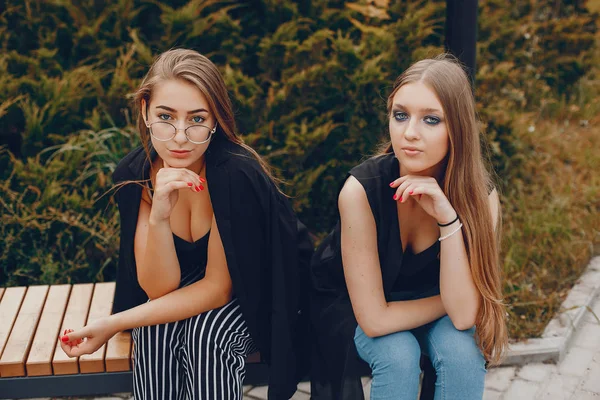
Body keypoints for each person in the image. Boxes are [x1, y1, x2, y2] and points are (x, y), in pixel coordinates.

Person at [59, 48, 313, 400]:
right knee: (153, 331)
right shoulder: (134, 175)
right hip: (192, 281)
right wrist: (160, 211)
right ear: (146, 110)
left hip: (261, 286)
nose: (180, 136)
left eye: (196, 119)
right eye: (166, 116)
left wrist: (114, 323)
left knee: (208, 336)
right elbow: (158, 290)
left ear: (214, 122)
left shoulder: (235, 175)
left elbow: (219, 289)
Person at [309, 55, 508, 400]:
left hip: (436, 304)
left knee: (462, 353)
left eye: (431, 119)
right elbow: (374, 320)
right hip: (355, 306)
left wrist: (448, 218)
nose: (410, 133)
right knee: (398, 356)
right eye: (400, 115)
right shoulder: (360, 191)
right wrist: (453, 300)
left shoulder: (480, 198)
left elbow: (463, 318)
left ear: (457, 129)